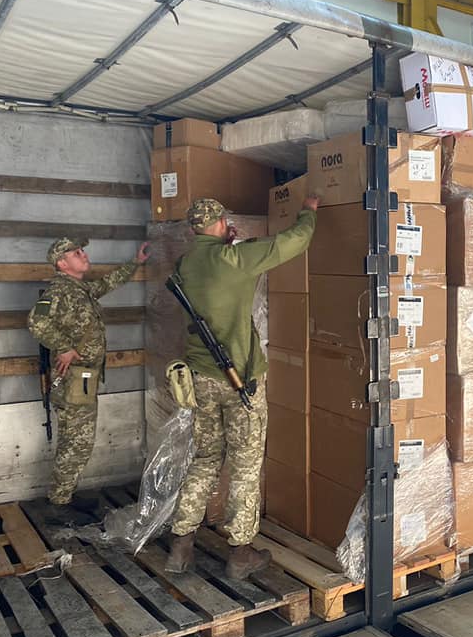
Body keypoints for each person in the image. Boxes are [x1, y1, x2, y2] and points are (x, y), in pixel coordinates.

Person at [166, 195, 317, 578]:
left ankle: (180, 546)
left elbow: (212, 273)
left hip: (199, 379)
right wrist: (309, 211)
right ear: (220, 222)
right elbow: (294, 241)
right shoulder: (235, 258)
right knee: (245, 465)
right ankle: (240, 553)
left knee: (205, 459)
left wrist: (225, 244)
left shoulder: (185, 264)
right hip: (239, 381)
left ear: (193, 229)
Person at [27, 236, 150, 520]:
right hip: (73, 379)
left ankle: (64, 495)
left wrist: (135, 262)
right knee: (77, 442)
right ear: (62, 263)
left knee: (76, 440)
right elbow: (36, 321)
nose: (83, 255)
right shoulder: (59, 291)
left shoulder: (79, 289)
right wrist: (63, 347)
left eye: (82, 250)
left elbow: (107, 283)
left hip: (83, 378)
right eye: (76, 253)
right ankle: (58, 504)